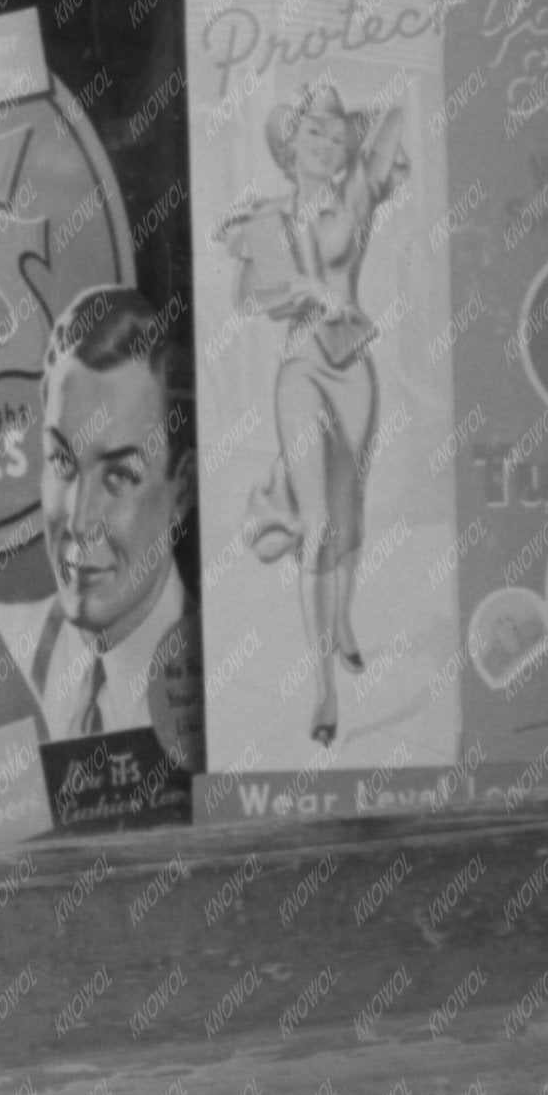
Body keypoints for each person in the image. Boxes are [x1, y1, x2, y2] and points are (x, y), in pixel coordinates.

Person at [221, 84, 409, 745]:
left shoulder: (355, 197)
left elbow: (396, 115)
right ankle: (325, 690)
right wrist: (301, 289)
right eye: (315, 134)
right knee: (318, 524)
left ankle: (347, 618)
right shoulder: (266, 216)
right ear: (289, 145)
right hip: (299, 367)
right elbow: (247, 297)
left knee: (350, 508)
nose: (328, 145)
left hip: (354, 367)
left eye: (337, 136)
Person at [0, 287, 195, 742]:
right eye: (62, 462)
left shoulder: (227, 680)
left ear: (182, 491)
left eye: (119, 475)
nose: (80, 521)